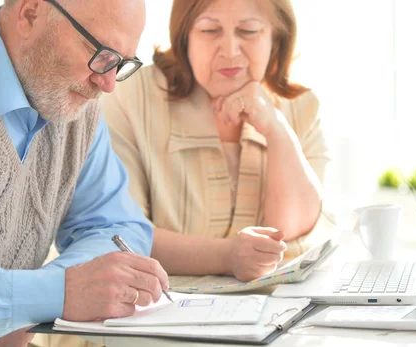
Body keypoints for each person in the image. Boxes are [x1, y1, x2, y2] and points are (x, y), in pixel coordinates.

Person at [0, 0, 170, 345]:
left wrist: (47, 297)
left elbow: (118, 226)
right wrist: (55, 294)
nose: (108, 84)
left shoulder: (74, 105)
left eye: (120, 63)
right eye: (100, 51)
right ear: (30, 14)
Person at [102, 0, 336, 283]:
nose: (230, 51)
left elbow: (287, 234)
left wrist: (276, 130)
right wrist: (227, 256)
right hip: (151, 314)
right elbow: (120, 234)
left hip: (264, 316)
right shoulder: (132, 96)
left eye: (248, 31)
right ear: (184, 37)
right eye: (210, 30)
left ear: (276, 38)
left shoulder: (301, 108)